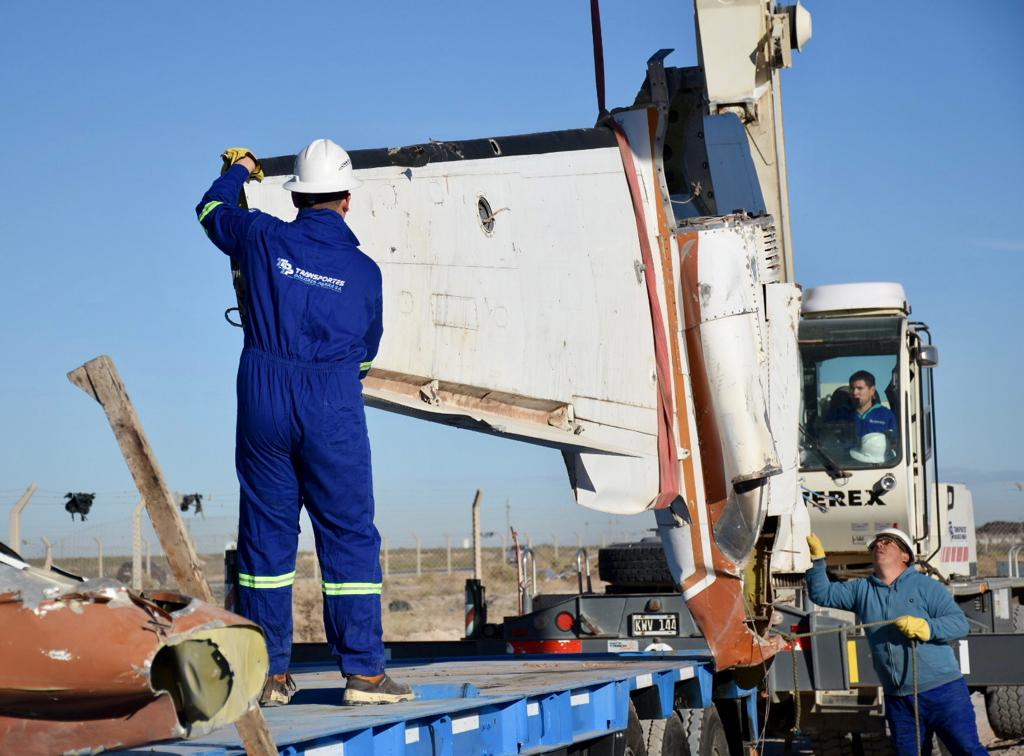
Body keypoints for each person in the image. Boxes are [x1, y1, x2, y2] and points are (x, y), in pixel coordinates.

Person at [196, 140, 412, 707]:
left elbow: (210, 211)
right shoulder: (364, 272)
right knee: (347, 534)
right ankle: (364, 673)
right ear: (346, 199)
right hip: (332, 400)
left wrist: (238, 171)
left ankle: (268, 674)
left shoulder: (263, 236)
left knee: (266, 537)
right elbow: (367, 353)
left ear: (296, 194)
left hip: (263, 392)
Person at [805, 529, 986, 755]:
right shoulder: (862, 589)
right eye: (876, 544)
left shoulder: (926, 587)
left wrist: (926, 627)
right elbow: (823, 594)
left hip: (944, 692)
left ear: (905, 556)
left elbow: (960, 624)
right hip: (899, 700)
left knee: (967, 750)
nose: (879, 545)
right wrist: (818, 561)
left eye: (888, 542)